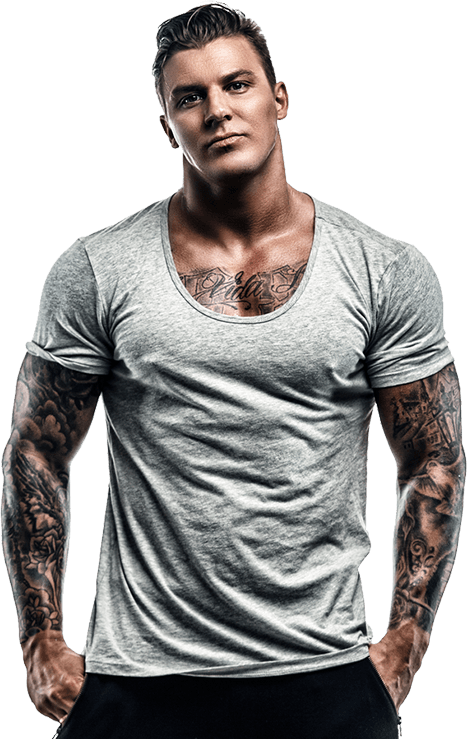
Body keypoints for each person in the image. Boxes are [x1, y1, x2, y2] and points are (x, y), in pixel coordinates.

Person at [2, 3, 464, 738]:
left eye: (236, 85)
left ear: (279, 98)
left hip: (326, 675)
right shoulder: (96, 268)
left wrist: (407, 638)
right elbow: (36, 449)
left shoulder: (384, 268)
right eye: (190, 97)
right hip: (140, 678)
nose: (216, 110)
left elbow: (432, 457)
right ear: (168, 125)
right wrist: (41, 639)